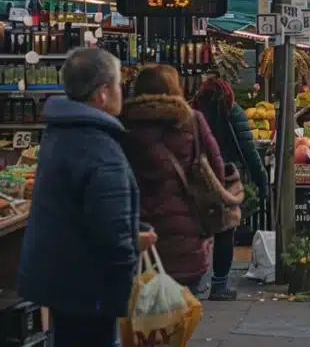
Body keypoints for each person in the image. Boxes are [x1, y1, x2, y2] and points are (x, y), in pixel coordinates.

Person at [19, 47, 153, 345]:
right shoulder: (100, 149)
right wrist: (124, 289)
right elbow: (111, 234)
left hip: (61, 281)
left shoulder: (60, 133)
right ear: (102, 93)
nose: (123, 91)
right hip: (90, 287)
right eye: (119, 84)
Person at [121, 65, 226, 294]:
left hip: (139, 238)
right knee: (181, 316)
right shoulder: (193, 121)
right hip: (187, 240)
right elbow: (217, 172)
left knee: (141, 315)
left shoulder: (124, 126)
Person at [192, 76, 269, 301]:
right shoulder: (233, 112)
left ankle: (196, 283)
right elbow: (249, 151)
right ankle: (219, 285)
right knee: (226, 230)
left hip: (198, 177)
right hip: (227, 177)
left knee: (198, 231)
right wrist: (262, 182)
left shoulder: (192, 113)